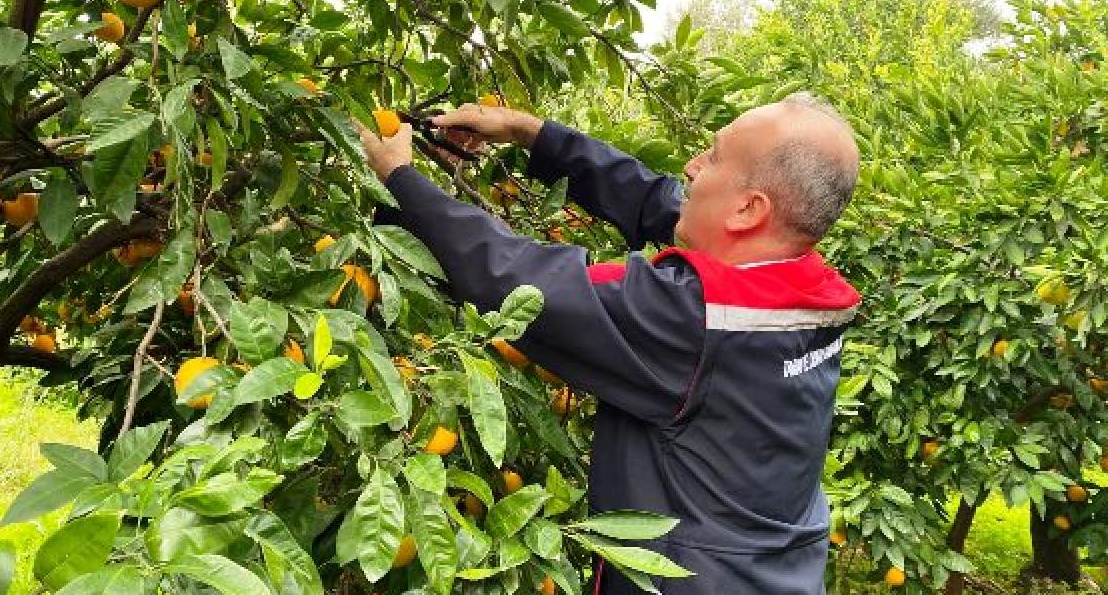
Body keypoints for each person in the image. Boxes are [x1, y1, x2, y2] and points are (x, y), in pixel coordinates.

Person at [357, 93, 862, 595]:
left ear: (749, 209)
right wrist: (528, 133)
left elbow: (518, 283)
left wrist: (401, 180)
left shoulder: (698, 321)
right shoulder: (800, 290)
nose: (691, 167)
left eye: (713, 156)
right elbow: (655, 199)